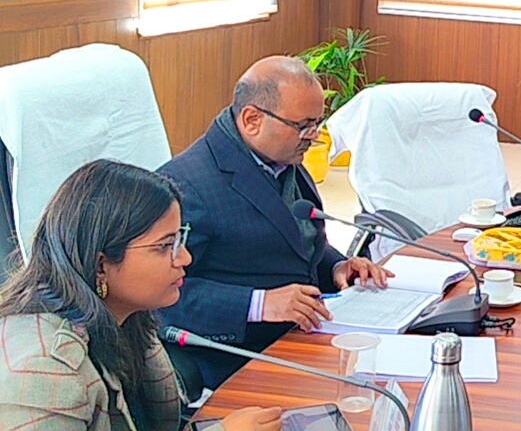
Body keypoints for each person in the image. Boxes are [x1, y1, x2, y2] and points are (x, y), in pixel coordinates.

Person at [158, 57, 389, 390]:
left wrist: (338, 266)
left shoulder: (281, 158)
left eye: (318, 123)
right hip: (241, 358)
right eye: (303, 126)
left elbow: (297, 241)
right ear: (252, 119)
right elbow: (160, 296)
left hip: (307, 336)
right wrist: (259, 303)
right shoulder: (184, 185)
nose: (314, 136)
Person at [0, 160, 281, 431]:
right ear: (100, 266)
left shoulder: (129, 318)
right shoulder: (43, 371)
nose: (185, 257)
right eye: (165, 246)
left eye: (179, 240)